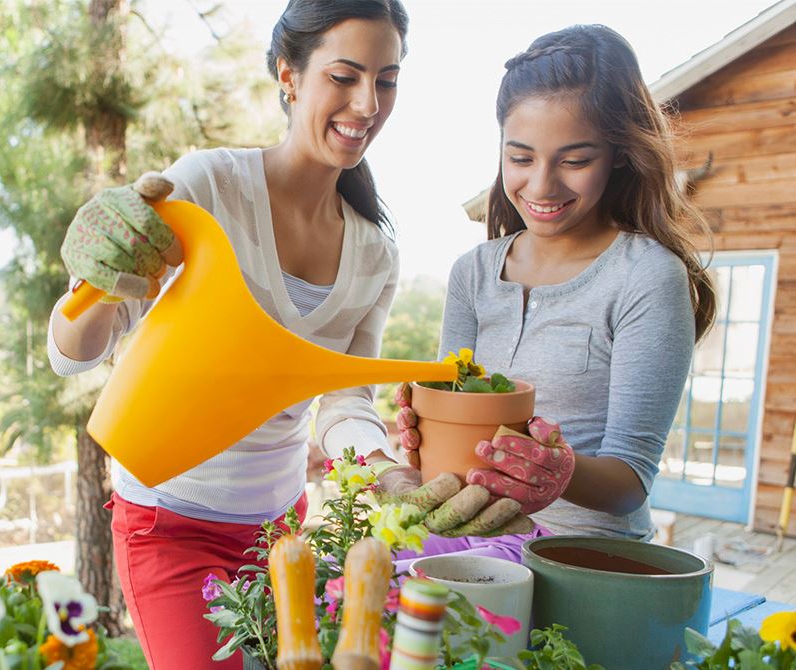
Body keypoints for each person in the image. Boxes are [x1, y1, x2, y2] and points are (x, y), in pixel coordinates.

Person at [48, 1, 507, 666]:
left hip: (279, 532)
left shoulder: (375, 253)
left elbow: (344, 400)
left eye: (386, 80)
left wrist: (386, 473)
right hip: (168, 521)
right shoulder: (210, 185)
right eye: (344, 76)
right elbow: (73, 355)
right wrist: (96, 278)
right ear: (289, 75)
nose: (367, 103)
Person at [393, 24, 716, 573]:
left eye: (574, 160)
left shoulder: (646, 276)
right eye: (521, 158)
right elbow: (455, 438)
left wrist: (557, 473)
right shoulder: (473, 272)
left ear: (619, 153)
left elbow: (630, 482)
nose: (542, 186)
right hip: (473, 541)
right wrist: (423, 439)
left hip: (584, 557)